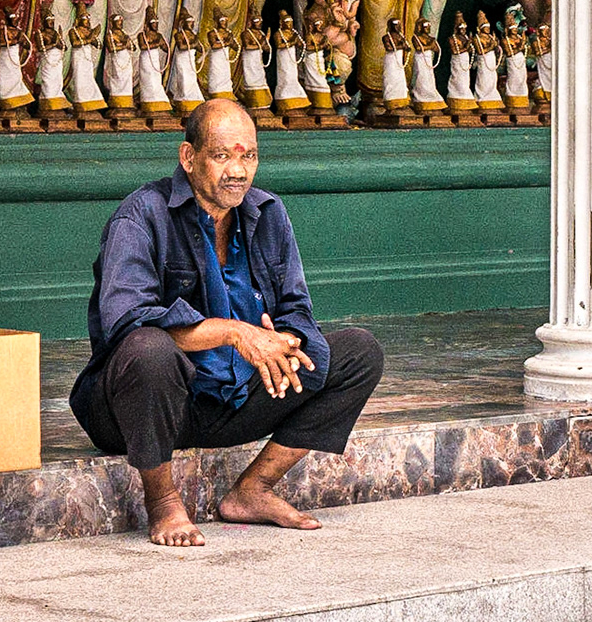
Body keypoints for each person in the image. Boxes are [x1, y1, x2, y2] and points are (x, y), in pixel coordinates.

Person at [69, 99, 384, 547]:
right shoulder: (141, 215)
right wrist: (238, 333)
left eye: (248, 156)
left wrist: (285, 344)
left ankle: (253, 489)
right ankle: (162, 501)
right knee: (148, 349)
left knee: (357, 352)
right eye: (222, 156)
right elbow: (126, 320)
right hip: (142, 409)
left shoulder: (267, 212)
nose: (238, 170)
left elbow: (296, 308)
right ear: (188, 157)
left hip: (232, 400)